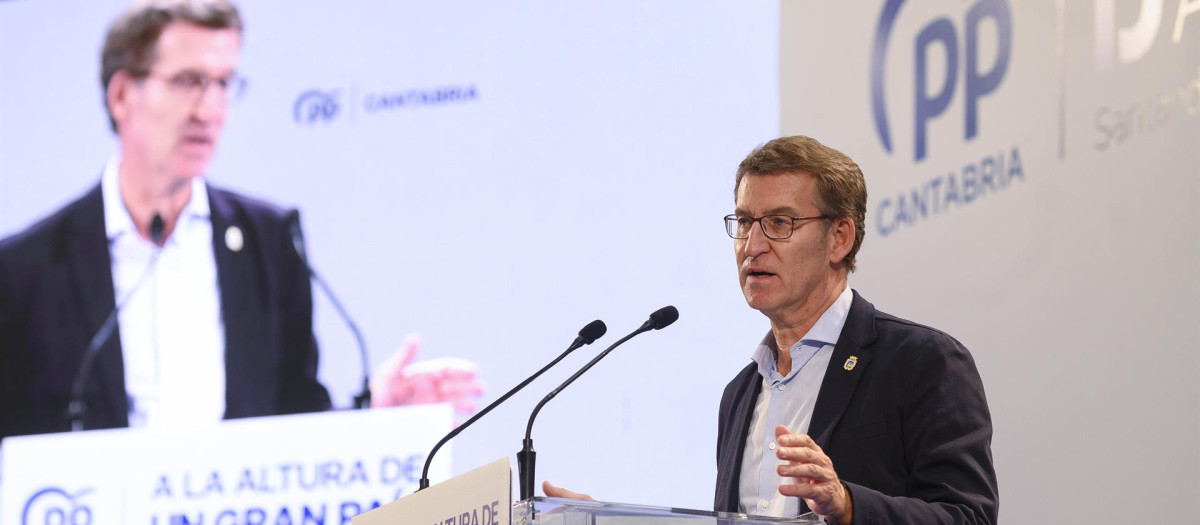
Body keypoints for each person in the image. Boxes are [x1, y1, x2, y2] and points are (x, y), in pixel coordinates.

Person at [0, 0, 479, 442]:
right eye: (188, 81)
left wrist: (373, 410)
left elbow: (294, 417)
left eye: (223, 83)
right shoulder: (26, 270)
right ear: (123, 94)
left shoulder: (268, 240)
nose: (209, 110)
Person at [545, 136, 997, 525]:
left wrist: (847, 505)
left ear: (839, 238)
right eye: (744, 222)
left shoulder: (922, 362)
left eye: (780, 223)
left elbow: (967, 517)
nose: (752, 246)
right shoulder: (740, 393)